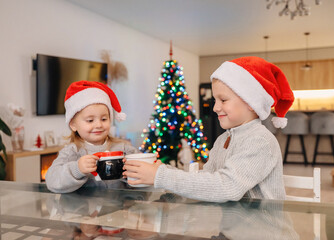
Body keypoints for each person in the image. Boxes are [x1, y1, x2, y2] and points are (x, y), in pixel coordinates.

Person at [123, 56, 294, 202]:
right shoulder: (223, 140)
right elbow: (207, 182)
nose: (215, 108)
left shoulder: (259, 140)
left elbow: (227, 187)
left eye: (223, 100)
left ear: (251, 102)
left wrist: (160, 176)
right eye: (215, 100)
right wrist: (163, 170)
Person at [46, 80, 138, 193]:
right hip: (84, 209)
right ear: (73, 124)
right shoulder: (72, 152)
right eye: (90, 120)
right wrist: (77, 169)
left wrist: (131, 173)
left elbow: (144, 177)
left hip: (119, 208)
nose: (98, 125)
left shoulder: (124, 148)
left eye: (104, 119)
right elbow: (52, 181)